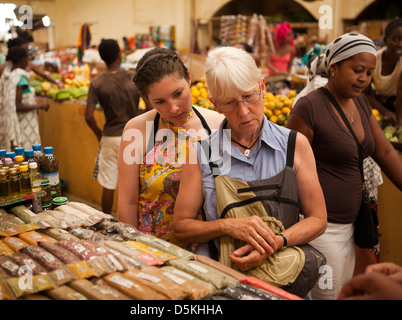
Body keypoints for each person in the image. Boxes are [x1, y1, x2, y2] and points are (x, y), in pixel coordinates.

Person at [172, 46, 327, 297]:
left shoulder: (294, 145)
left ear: (263, 87)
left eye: (250, 97)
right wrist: (227, 226)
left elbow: (318, 219)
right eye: (230, 103)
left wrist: (276, 242)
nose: (243, 111)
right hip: (225, 282)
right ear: (215, 104)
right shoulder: (201, 154)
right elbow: (181, 227)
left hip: (285, 282)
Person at [286, 33, 402, 300]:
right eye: (357, 70)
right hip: (321, 230)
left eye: (369, 72)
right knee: (328, 295)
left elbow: (384, 150)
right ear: (334, 67)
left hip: (350, 227)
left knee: (340, 291)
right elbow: (287, 165)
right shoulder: (309, 107)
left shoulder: (360, 102)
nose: (364, 78)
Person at [117, 47, 224, 247]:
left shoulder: (217, 125)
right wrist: (132, 250)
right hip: (153, 251)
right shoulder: (136, 131)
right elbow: (127, 202)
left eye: (178, 93)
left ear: (189, 78)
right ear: (147, 101)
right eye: (160, 101)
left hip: (209, 250)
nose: (173, 107)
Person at [85, 39, 140, 214]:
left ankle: (106, 221)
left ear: (102, 58)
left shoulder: (97, 83)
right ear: (119, 55)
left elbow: (88, 115)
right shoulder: (133, 77)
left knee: (108, 183)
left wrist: (99, 134)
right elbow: (150, 105)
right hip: (133, 137)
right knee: (136, 183)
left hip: (110, 137)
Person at [0, 46, 49, 151]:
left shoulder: (7, 75)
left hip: (13, 123)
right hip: (23, 125)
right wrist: (40, 105)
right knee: (27, 154)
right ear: (23, 60)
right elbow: (18, 105)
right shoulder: (20, 78)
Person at [364, 18, 402, 127]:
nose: (400, 44)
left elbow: (400, 92)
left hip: (398, 105)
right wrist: (384, 111)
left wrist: (399, 123)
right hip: (377, 103)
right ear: (385, 40)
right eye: (396, 39)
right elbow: (365, 93)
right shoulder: (374, 59)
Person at [0, 37, 64, 89]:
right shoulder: (2, 69)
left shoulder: (27, 64)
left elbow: (45, 75)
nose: (26, 53)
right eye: (25, 50)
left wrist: (58, 82)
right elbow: (0, 90)